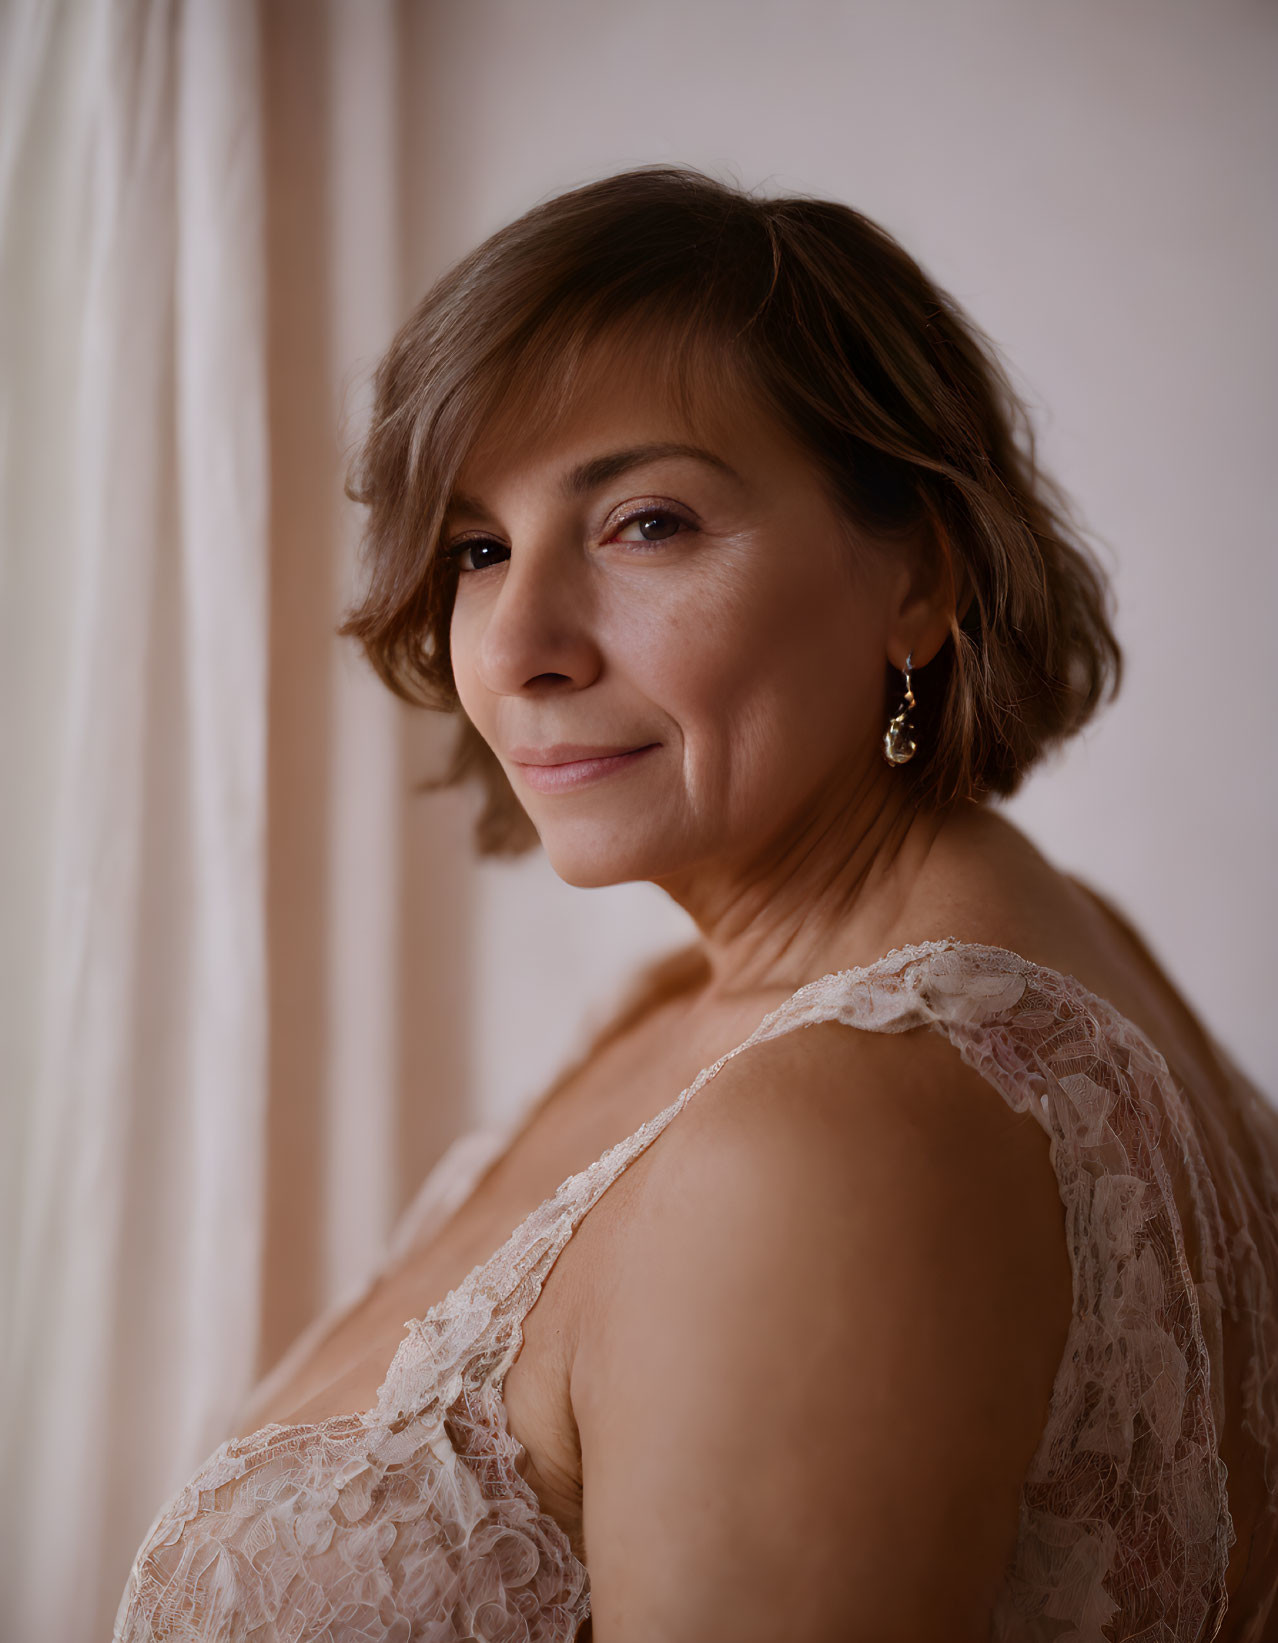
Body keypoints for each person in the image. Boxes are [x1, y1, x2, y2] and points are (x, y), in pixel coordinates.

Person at [114, 165, 1278, 1642]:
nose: (520, 640)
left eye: (645, 523)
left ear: (919, 575)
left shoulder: (840, 1132)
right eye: (478, 549)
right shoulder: (861, 981)